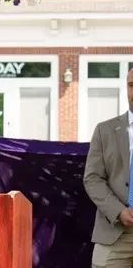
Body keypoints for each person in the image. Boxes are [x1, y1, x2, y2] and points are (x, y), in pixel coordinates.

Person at [84, 68, 133, 268]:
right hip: (114, 229)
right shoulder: (105, 130)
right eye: (131, 85)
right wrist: (118, 211)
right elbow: (93, 178)